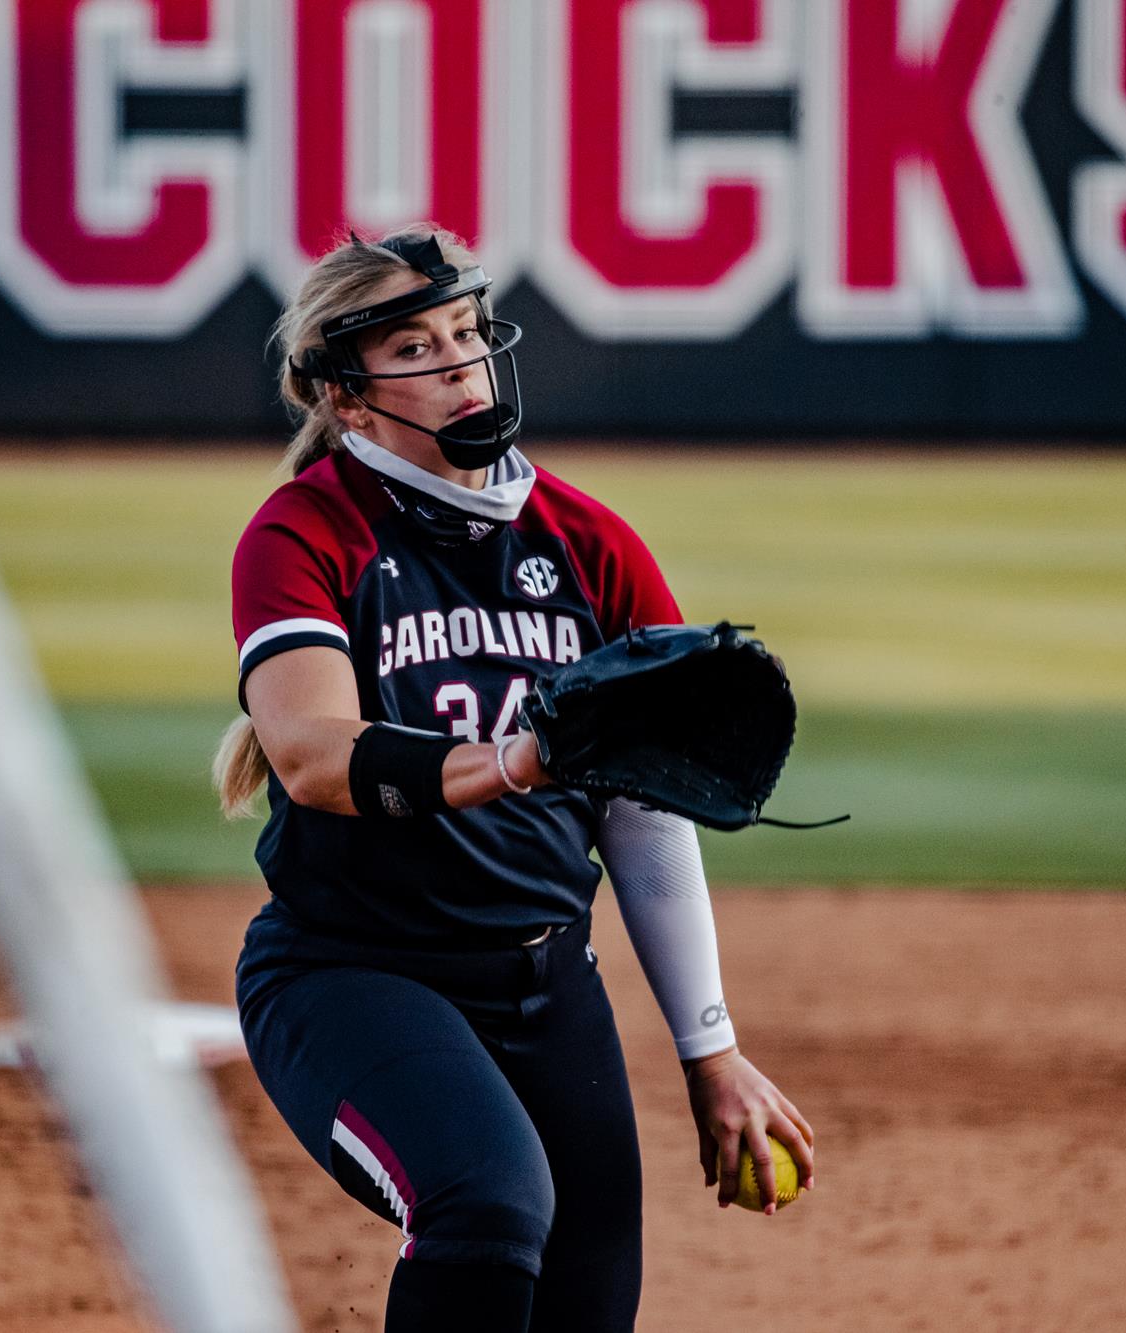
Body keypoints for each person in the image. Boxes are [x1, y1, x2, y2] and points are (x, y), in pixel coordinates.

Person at [215, 225, 816, 1333]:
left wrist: (710, 1049)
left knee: (585, 1310)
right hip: (351, 975)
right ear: (347, 399)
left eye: (466, 335)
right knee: (486, 1206)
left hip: (547, 986)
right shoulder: (304, 532)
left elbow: (642, 814)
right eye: (414, 347)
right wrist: (510, 762)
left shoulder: (589, 542)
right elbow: (308, 756)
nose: (458, 364)